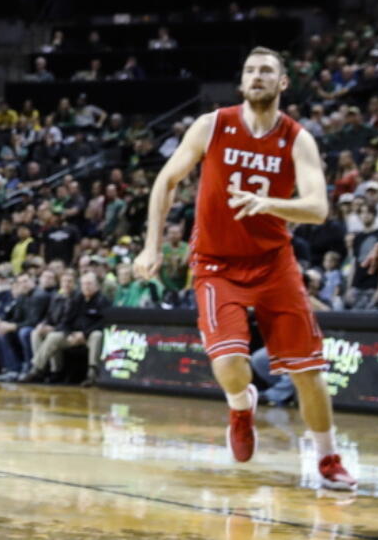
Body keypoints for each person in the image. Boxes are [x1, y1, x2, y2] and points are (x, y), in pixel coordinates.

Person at [135, 47, 355, 490]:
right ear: (240, 82)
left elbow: (317, 207)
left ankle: (329, 459)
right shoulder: (212, 124)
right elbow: (166, 180)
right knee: (231, 363)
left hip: (275, 264)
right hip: (216, 265)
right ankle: (241, 404)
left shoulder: (298, 139)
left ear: (283, 83)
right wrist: (151, 246)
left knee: (308, 371)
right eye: (250, 70)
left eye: (267, 70)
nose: (257, 76)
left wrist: (268, 203)